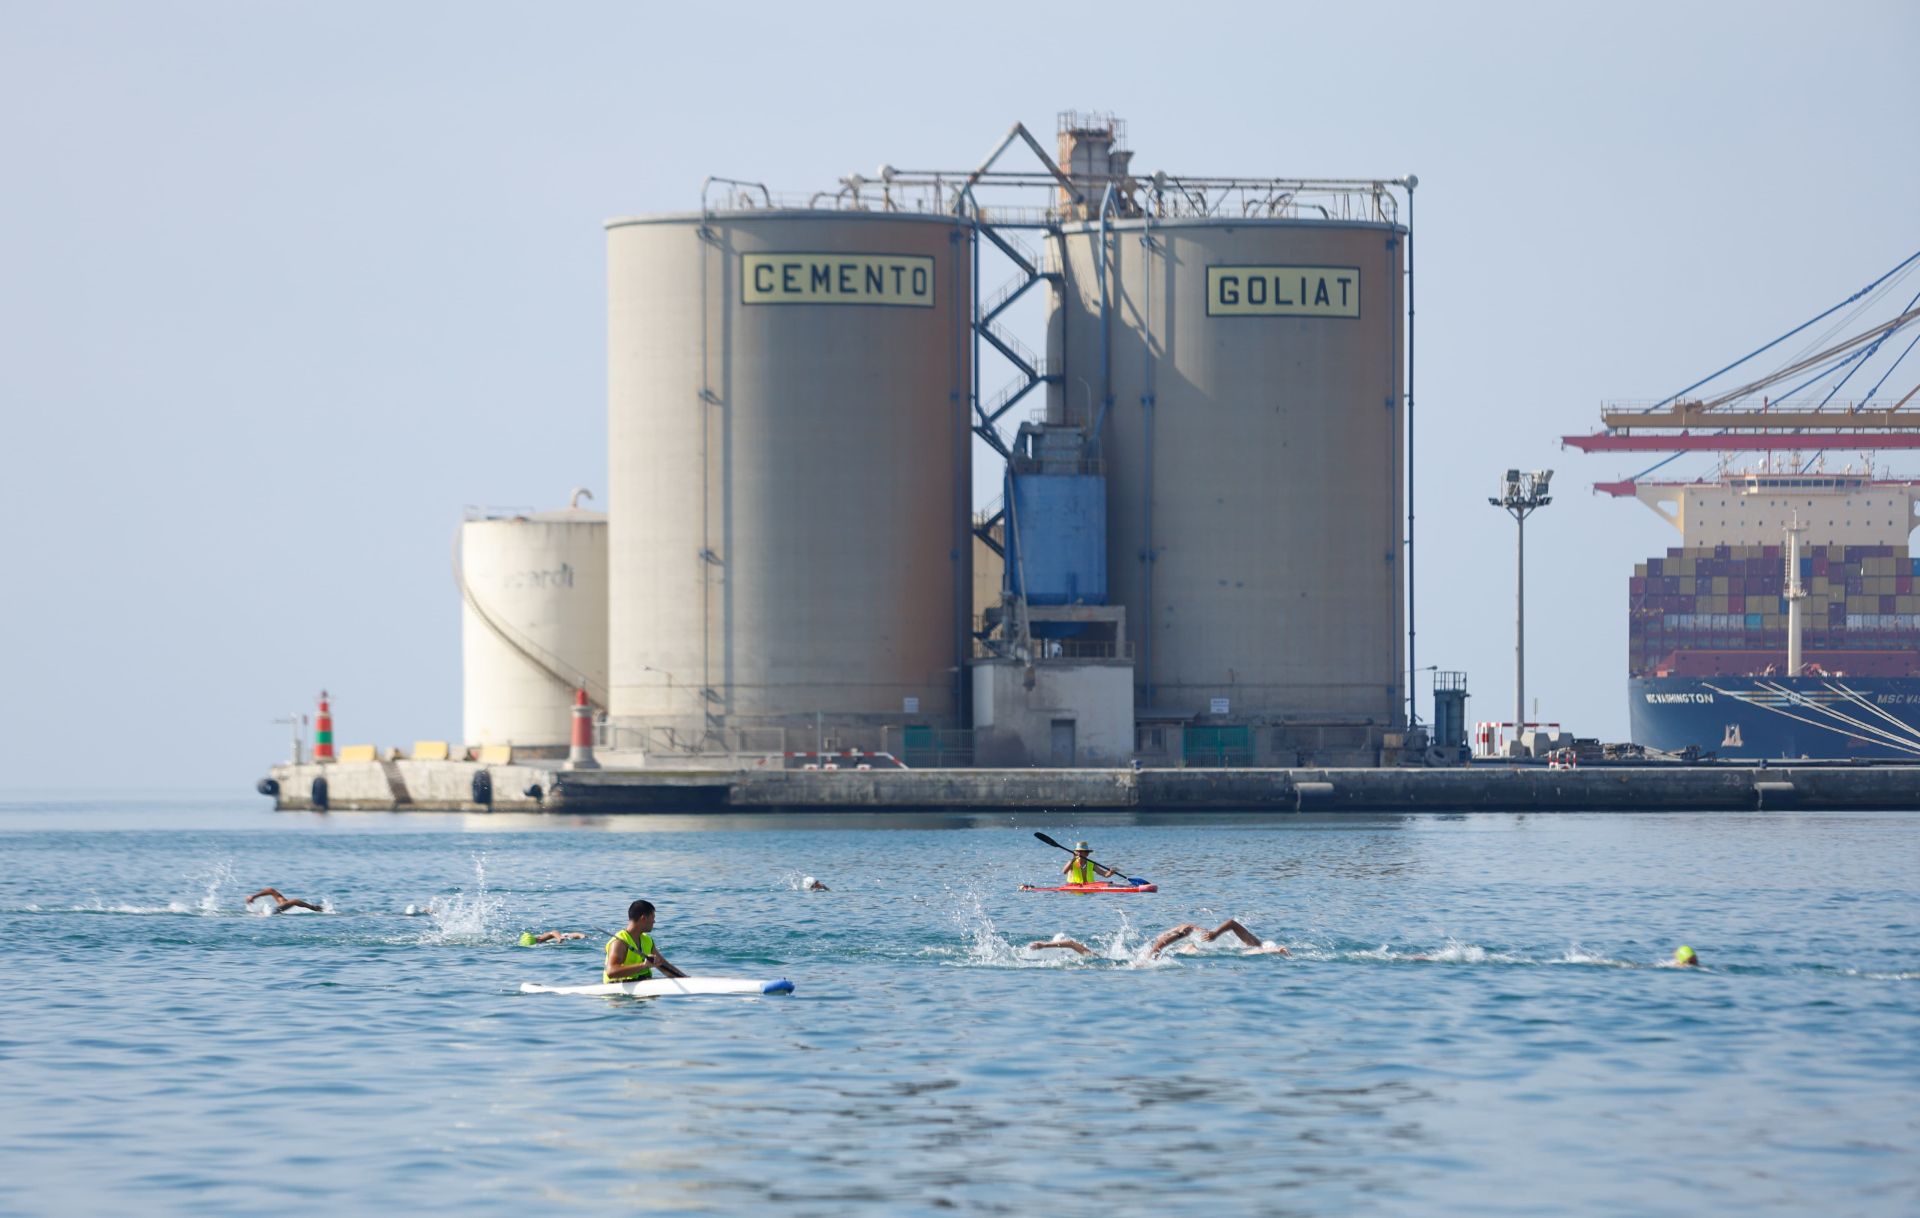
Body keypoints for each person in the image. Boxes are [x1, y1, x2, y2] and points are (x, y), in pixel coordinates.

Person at [1028, 919, 1288, 959]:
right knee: (1159, 950)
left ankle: (1181, 935)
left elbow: (1074, 945)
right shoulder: (1254, 946)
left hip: (1173, 952)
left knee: (1158, 951)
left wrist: (1044, 945)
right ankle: (1181, 935)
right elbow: (1074, 945)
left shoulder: (1254, 947)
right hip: (1178, 951)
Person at [604, 899, 688, 983]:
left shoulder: (647, 940)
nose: (654, 921)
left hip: (643, 982)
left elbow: (663, 965)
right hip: (618, 987)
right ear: (643, 918)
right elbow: (611, 972)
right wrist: (643, 965)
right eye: (653, 918)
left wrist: (685, 979)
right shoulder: (619, 942)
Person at [245, 887, 323, 914]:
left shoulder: (282, 902)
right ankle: (315, 908)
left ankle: (314, 908)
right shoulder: (282, 904)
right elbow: (295, 901)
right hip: (272, 912)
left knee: (291, 901)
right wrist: (312, 908)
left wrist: (253, 896)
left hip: (271, 911)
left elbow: (271, 890)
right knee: (294, 901)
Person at [519, 930, 587, 946]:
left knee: (567, 936)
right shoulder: (536, 940)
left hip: (559, 937)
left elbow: (553, 932)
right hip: (553, 940)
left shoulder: (540, 939)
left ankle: (583, 936)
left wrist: (559, 938)